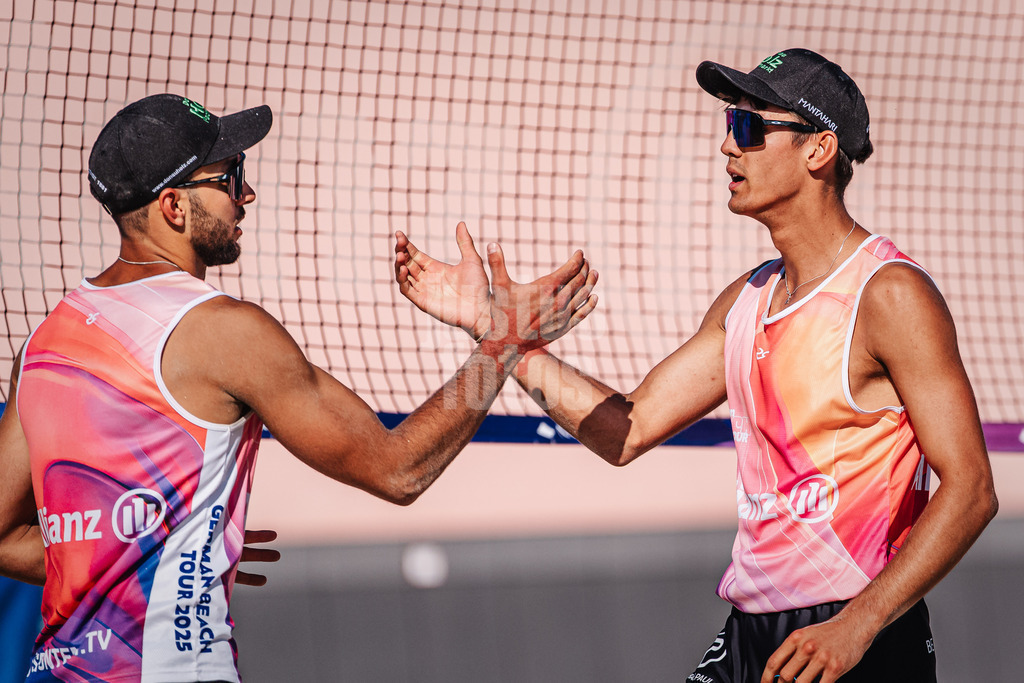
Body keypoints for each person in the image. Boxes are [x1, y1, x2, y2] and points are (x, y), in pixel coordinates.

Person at [393, 49, 998, 682]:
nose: (727, 146)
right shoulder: (748, 298)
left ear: (819, 150)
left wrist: (859, 624)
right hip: (752, 632)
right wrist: (500, 334)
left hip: (853, 633)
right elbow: (626, 430)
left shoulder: (890, 294)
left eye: (749, 126)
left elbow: (972, 490)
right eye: (730, 123)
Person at [0, 93, 597, 682]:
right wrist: (502, 342)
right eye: (230, 177)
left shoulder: (43, 346)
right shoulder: (223, 332)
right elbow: (399, 471)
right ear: (174, 206)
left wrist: (164, 555)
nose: (247, 194)